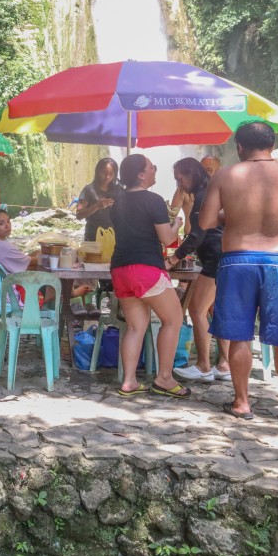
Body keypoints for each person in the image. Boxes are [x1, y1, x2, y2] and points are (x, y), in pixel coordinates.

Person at [198, 121, 278, 423]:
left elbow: (207, 222)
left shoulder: (226, 175)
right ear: (272, 144)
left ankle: (241, 403)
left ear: (239, 146)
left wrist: (234, 212)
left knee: (239, 336)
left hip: (238, 260)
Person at [110, 154, 188, 399]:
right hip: (146, 269)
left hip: (120, 269)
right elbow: (167, 239)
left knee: (135, 327)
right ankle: (164, 378)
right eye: (151, 167)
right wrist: (177, 224)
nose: (155, 170)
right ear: (140, 174)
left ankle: (129, 382)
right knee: (173, 320)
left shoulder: (117, 201)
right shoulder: (153, 200)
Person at [165, 158, 231, 383]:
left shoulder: (203, 197)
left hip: (215, 259)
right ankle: (223, 365)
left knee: (196, 309)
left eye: (180, 177)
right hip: (222, 258)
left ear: (192, 174)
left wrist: (174, 258)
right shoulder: (211, 192)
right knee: (217, 310)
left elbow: (198, 233)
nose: (179, 182)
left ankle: (203, 366)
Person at [0, 207, 38, 319]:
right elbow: (31, 262)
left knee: (36, 262)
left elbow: (24, 260)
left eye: (8, 221)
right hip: (9, 294)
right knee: (48, 284)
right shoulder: (3, 247)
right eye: (1, 223)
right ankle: (69, 297)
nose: (7, 226)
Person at [75, 157, 121, 242]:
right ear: (98, 171)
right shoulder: (89, 190)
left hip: (113, 237)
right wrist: (97, 206)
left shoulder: (118, 190)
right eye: (104, 172)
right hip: (93, 237)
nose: (107, 177)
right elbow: (79, 215)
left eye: (111, 174)